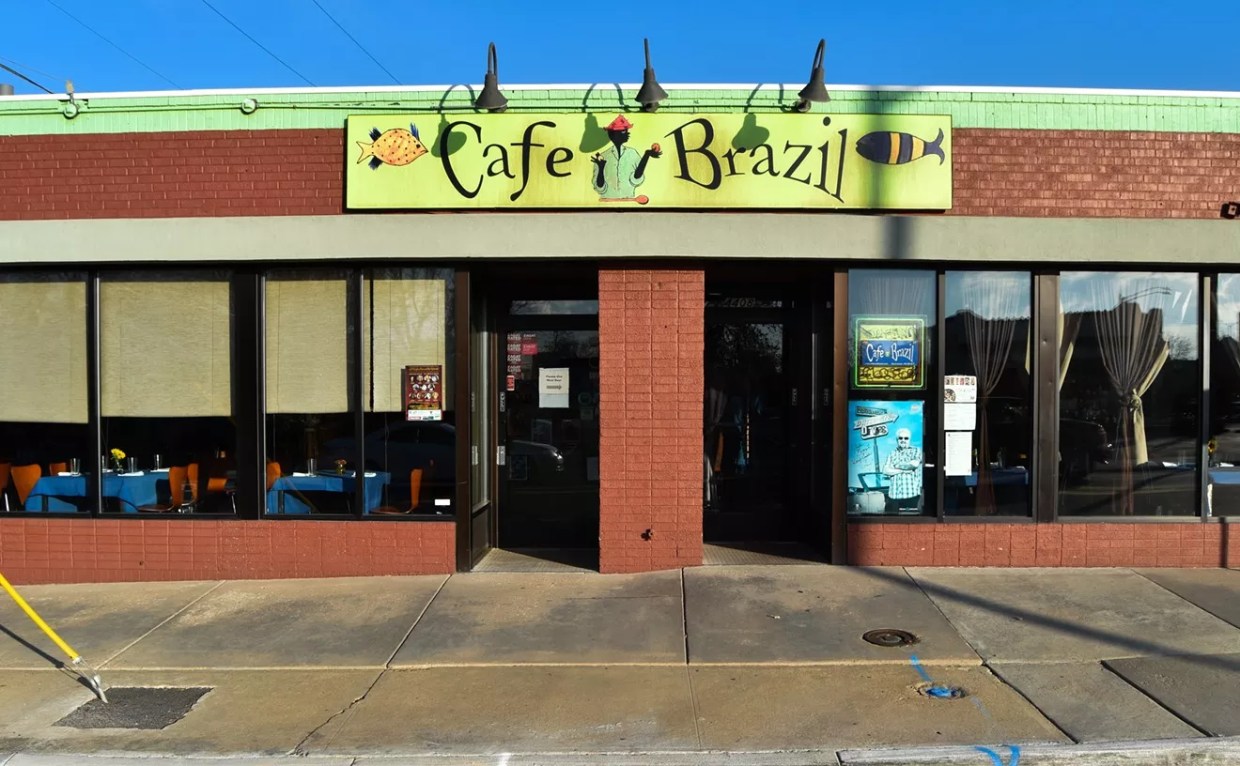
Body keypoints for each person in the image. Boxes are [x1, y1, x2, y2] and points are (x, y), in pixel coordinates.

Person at [591, 115, 661, 200]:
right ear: (614, 135)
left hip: (630, 200)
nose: (628, 133)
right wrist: (601, 168)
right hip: (606, 202)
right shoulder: (603, 156)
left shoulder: (632, 153)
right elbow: (600, 187)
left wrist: (646, 155)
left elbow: (636, 178)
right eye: (624, 131)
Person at [883, 428, 923, 513]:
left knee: (910, 523)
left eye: (906, 438)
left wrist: (895, 466)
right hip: (894, 496)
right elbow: (885, 470)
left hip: (911, 495)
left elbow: (913, 465)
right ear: (897, 440)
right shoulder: (892, 453)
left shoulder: (916, 450)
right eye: (900, 438)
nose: (903, 440)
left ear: (909, 439)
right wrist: (902, 470)